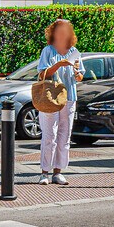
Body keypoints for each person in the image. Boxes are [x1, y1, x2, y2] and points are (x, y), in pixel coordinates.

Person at [34, 18, 83, 185]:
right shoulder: (48, 51)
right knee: (49, 135)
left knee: (64, 135)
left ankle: (58, 172)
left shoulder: (74, 51)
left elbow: (80, 75)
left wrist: (77, 74)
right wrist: (59, 65)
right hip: (50, 97)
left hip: (69, 97)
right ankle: (44, 173)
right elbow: (42, 73)